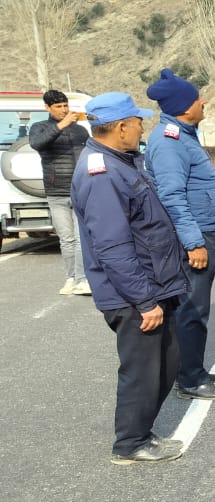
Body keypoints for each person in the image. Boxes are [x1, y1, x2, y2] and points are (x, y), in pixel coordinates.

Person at [72, 93, 188, 464]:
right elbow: (112, 247)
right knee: (142, 371)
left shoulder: (121, 161)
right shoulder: (102, 173)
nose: (142, 126)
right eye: (137, 121)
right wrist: (144, 300)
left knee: (164, 365)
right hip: (135, 294)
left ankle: (141, 433)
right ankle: (130, 443)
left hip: (151, 285)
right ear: (121, 127)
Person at [145, 68, 215, 401]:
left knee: (196, 305)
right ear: (186, 106)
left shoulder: (183, 133)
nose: (203, 102)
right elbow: (171, 195)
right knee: (192, 308)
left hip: (202, 229)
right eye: (199, 99)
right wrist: (194, 241)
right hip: (195, 234)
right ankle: (191, 378)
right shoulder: (170, 141)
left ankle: (192, 367)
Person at [29, 90, 90, 296]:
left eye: (65, 105)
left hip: (80, 189)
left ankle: (83, 279)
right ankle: (71, 278)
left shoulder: (80, 131)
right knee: (66, 239)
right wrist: (61, 126)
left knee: (81, 237)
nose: (64, 110)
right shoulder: (39, 128)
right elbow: (37, 144)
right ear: (47, 108)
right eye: (58, 107)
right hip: (56, 192)